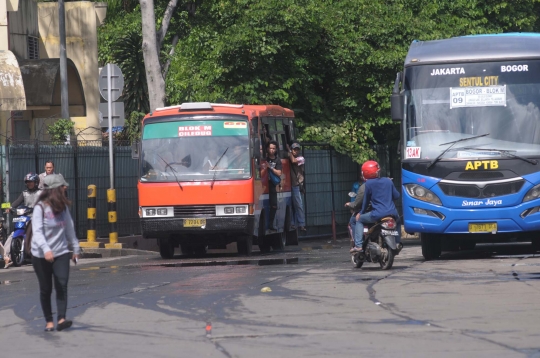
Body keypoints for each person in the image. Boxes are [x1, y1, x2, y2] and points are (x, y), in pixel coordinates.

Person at [31, 174, 79, 332]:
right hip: (40, 254)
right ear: (54, 190)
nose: (65, 189)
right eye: (62, 187)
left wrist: (75, 248)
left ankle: (61, 318)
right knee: (45, 288)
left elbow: (69, 228)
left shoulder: (63, 207)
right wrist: (46, 250)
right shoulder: (40, 208)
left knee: (61, 284)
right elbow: (37, 232)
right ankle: (49, 321)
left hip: (61, 252)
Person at [350, 160, 401, 253]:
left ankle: (358, 245)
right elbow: (397, 196)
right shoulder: (388, 181)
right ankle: (397, 242)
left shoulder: (369, 184)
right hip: (392, 213)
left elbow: (365, 201)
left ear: (365, 173)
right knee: (398, 221)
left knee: (359, 220)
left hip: (377, 214)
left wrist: (361, 212)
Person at [3, 173, 42, 268]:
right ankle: (6, 256)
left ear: (36, 182)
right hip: (26, 217)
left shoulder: (41, 192)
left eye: (31, 182)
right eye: (27, 182)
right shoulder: (24, 193)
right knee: (13, 234)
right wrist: (10, 208)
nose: (29, 184)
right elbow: (17, 202)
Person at [287, 142, 306, 231]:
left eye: (297, 149)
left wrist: (289, 151)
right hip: (289, 184)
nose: (296, 151)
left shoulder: (301, 158)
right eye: (294, 149)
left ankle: (301, 224)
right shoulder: (289, 156)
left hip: (296, 184)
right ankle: (292, 223)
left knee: (298, 204)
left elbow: (293, 161)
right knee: (292, 205)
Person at [265, 140, 282, 231]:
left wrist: (270, 167)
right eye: (270, 148)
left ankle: (271, 224)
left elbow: (279, 173)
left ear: (276, 149)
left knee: (274, 205)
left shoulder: (277, 160)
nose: (271, 150)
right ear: (267, 149)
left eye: (273, 148)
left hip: (272, 185)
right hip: (263, 184)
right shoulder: (264, 158)